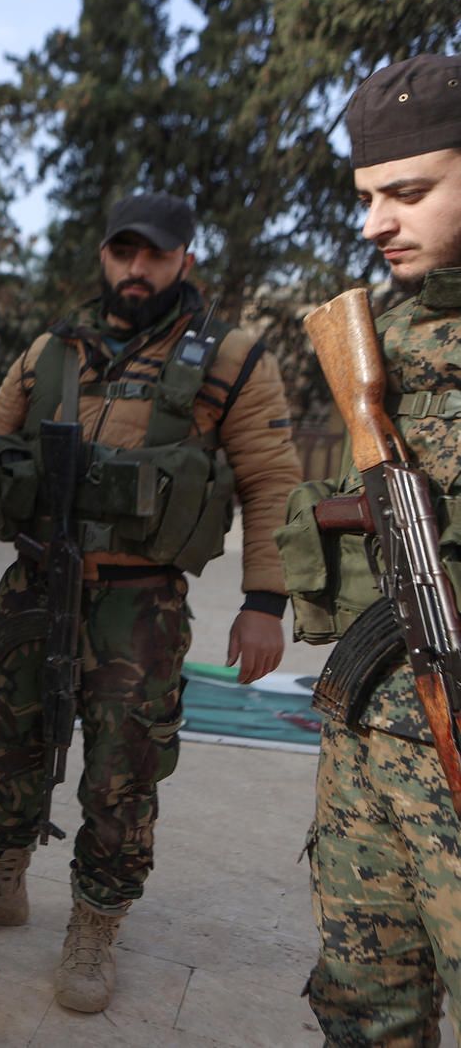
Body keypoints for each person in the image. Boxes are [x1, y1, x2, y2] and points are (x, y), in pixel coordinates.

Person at [0, 191, 302, 1013]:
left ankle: (96, 920)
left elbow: (273, 481)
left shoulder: (231, 356)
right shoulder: (53, 350)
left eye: (155, 255)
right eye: (123, 252)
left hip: (141, 602)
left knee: (124, 769)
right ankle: (0, 879)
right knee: (5, 741)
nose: (137, 269)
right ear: (103, 256)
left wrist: (265, 599)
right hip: (34, 582)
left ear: (183, 261)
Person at [282, 53, 461, 1044]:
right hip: (369, 732)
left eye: (407, 193)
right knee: (360, 1003)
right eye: (365, 197)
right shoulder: (382, 337)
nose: (372, 224)